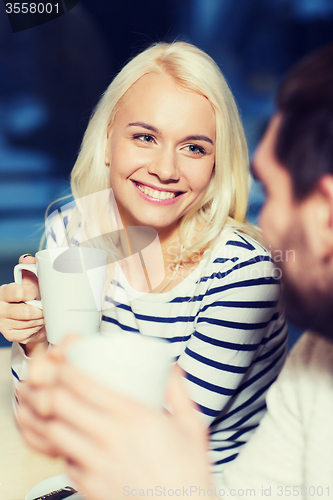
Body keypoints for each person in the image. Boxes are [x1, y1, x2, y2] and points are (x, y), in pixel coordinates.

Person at [15, 42, 333, 499]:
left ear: (217, 164)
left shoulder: (244, 273)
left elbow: (140, 443)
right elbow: (43, 413)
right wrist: (33, 343)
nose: (165, 168)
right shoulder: (75, 227)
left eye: (194, 147)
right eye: (144, 137)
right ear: (106, 142)